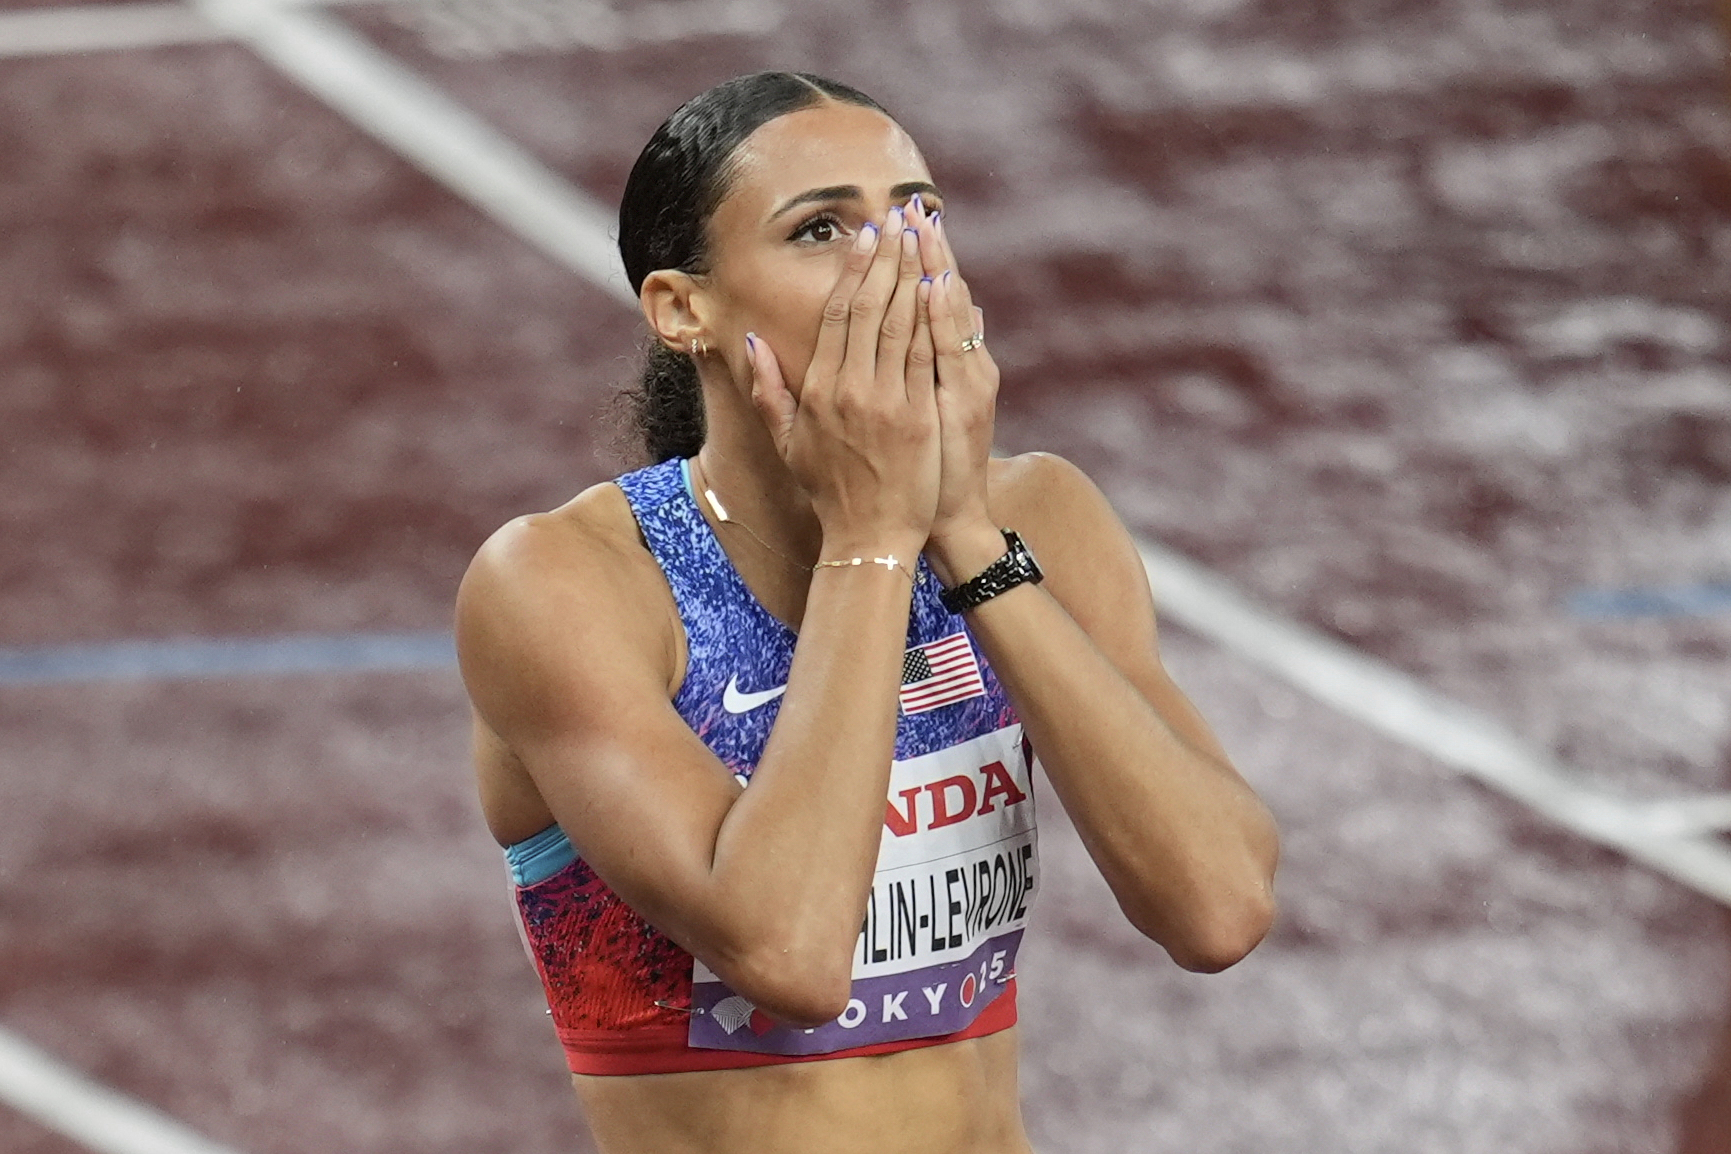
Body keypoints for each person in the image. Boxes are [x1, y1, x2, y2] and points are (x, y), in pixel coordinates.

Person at [454, 71, 1279, 1154]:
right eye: (821, 228)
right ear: (683, 309)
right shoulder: (568, 583)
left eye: (917, 213)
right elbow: (790, 954)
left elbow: (1218, 908)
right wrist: (874, 539)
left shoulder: (1038, 517)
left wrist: (964, 533)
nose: (895, 263)